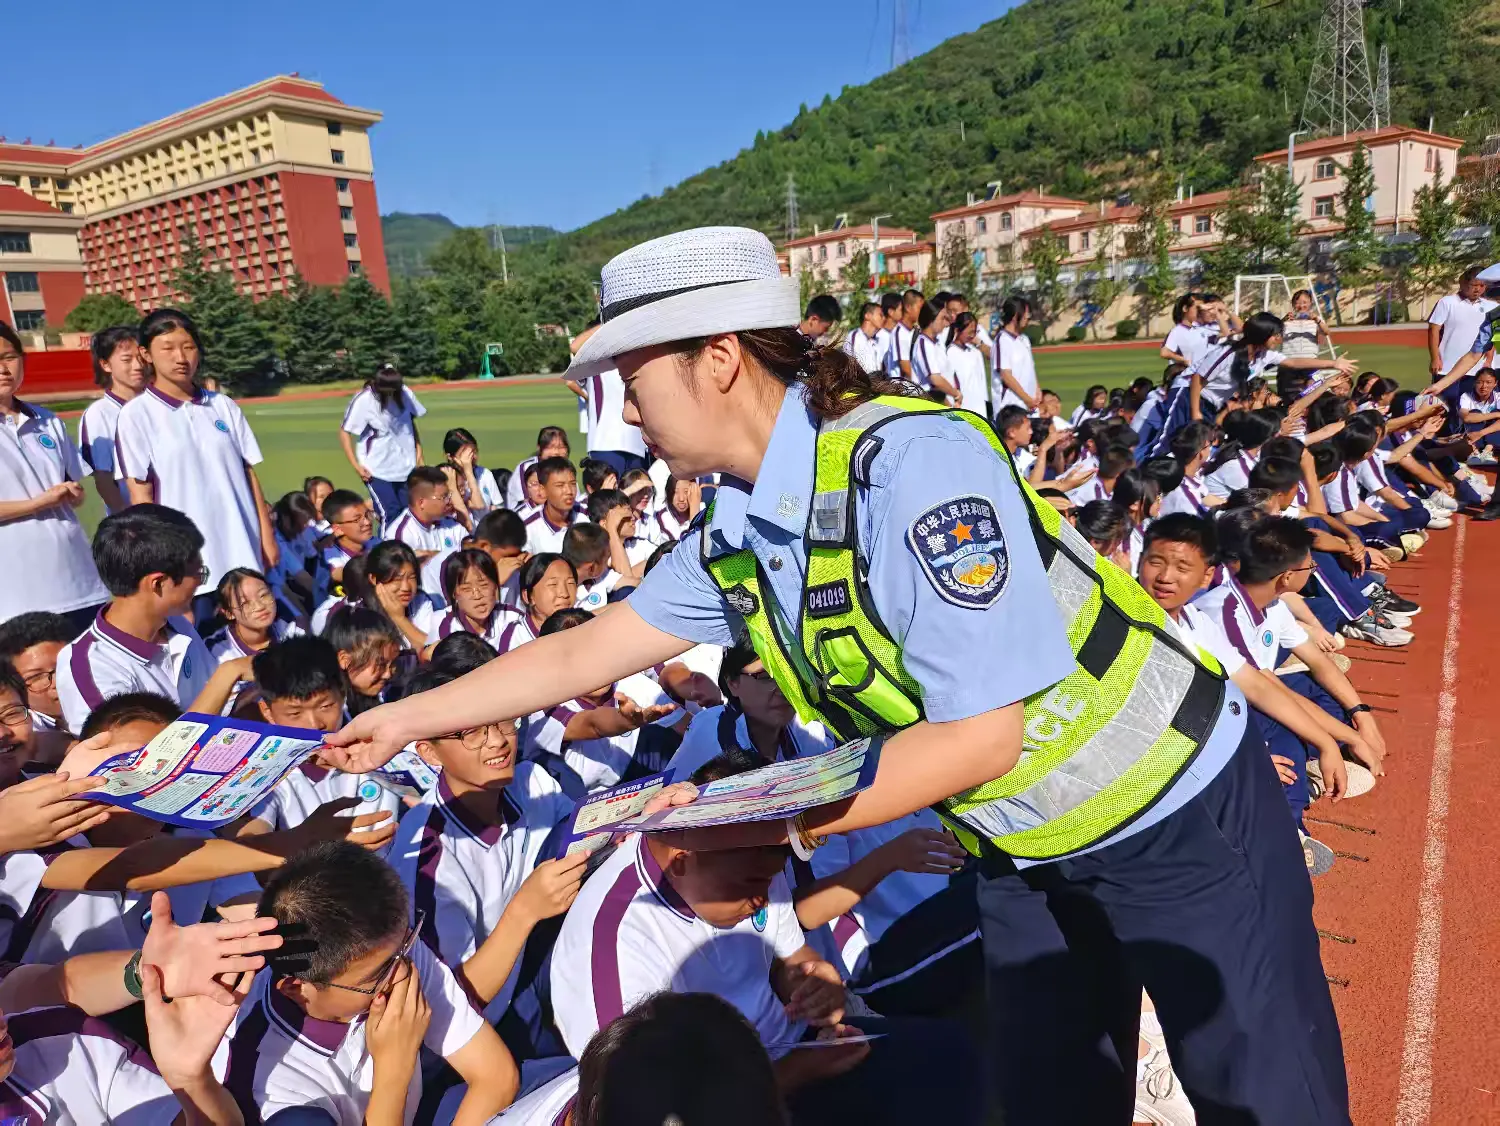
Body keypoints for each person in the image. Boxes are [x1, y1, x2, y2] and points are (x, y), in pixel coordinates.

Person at [328, 226, 1350, 1125]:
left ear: (718, 357)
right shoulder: (739, 524)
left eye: (630, 378)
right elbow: (581, 652)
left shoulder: (910, 467)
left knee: (1262, 1091)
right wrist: (404, 716)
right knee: (1049, 1099)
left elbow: (982, 735)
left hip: (1169, 807)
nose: (621, 410)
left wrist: (763, 822)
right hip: (1023, 839)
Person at [211, 840, 519, 1124]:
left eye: (408, 945)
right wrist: (393, 1072)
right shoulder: (266, 1088)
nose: (402, 974)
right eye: (378, 975)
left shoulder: (386, 948)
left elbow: (497, 1078)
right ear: (295, 987)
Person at [389, 665, 580, 1024]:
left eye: (502, 721)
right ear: (430, 753)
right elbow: (448, 1005)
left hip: (535, 964)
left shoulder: (533, 782)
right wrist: (525, 911)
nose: (497, 741)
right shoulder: (427, 860)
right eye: (472, 732)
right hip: (489, 1023)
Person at [114, 309, 277, 607]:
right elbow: (141, 498)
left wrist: (266, 535)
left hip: (243, 549)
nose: (181, 357)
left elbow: (247, 472)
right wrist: (160, 560)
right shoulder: (135, 416)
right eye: (168, 348)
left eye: (188, 347)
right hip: (189, 567)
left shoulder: (223, 406)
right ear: (145, 353)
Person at [54, 505, 242, 734]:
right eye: (197, 574)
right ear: (158, 583)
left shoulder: (177, 625)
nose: (200, 583)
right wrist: (228, 674)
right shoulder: (92, 667)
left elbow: (222, 705)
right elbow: (146, 758)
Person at [0, 321, 110, 630]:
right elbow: (43, 499)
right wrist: (37, 503)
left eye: (9, 357)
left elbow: (75, 493)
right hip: (16, 597)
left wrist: (72, 494)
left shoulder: (46, 421)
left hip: (79, 582)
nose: (4, 368)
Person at [339, 362, 426, 527]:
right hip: (376, 469)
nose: (394, 394)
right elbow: (345, 432)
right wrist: (357, 466)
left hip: (407, 466)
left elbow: (410, 425)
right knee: (389, 514)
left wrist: (419, 455)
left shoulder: (405, 393)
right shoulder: (364, 400)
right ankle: (388, 551)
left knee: (410, 514)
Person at [78, 323, 150, 514]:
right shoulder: (99, 414)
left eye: (141, 358)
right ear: (105, 364)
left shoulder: (158, 405)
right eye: (127, 359)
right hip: (141, 522)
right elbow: (103, 478)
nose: (138, 366)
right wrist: (129, 520)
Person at [574, 324, 650, 478]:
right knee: (608, 499)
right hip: (605, 444)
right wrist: (612, 320)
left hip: (638, 445)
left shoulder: (638, 359)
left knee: (637, 499)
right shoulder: (596, 361)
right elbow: (576, 346)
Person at [0, 611, 76, 755]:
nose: (58, 682)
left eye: (66, 665)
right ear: (14, 689)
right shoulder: (16, 739)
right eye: (36, 677)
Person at [1427, 265, 1495, 378]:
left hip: (1476, 370)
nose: (1477, 289)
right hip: (1446, 368)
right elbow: (1433, 331)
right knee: (1443, 396)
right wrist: (1435, 358)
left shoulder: (1490, 307)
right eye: (1474, 285)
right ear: (1465, 284)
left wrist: (1489, 359)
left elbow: (1492, 335)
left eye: (1482, 285)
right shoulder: (1447, 302)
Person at [321, 488, 379, 589]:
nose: (367, 522)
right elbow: (342, 574)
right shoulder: (331, 556)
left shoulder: (375, 542)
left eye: (367, 514)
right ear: (337, 529)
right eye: (356, 519)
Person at [524, 458, 584, 554]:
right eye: (560, 485)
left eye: (572, 484)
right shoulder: (528, 528)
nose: (569, 491)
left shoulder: (589, 515)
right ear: (543, 490)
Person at [506, 426, 572, 512]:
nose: (556, 452)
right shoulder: (525, 467)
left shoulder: (567, 468)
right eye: (550, 447)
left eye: (561, 447)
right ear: (539, 448)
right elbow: (526, 504)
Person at [992, 296, 1038, 414]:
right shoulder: (1002, 340)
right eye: (1026, 314)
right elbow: (1005, 375)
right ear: (1014, 316)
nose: (1028, 318)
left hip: (1029, 405)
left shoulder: (1024, 339)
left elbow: (1030, 369)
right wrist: (1026, 399)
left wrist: (1037, 390)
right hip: (1011, 407)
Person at [445, 426, 506, 513]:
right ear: (451, 457)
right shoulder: (445, 477)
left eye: (474, 451)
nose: (472, 457)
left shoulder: (485, 474)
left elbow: (499, 507)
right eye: (464, 453)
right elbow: (478, 505)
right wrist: (468, 471)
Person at [909, 300, 959, 403]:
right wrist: (956, 394)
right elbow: (935, 380)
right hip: (930, 404)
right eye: (942, 318)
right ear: (931, 319)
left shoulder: (936, 343)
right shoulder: (923, 343)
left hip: (942, 401)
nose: (946, 323)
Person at [946, 312, 988, 415]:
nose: (972, 335)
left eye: (974, 332)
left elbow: (981, 382)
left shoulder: (975, 352)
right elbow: (949, 383)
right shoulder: (950, 353)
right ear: (957, 330)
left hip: (980, 409)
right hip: (963, 410)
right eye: (969, 332)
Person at [1282, 288, 1330, 360]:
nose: (1301, 306)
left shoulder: (1317, 319)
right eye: (1297, 303)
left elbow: (1326, 332)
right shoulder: (1286, 320)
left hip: (1310, 360)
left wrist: (1317, 320)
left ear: (1310, 303)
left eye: (1304, 302)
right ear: (1292, 304)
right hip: (1289, 361)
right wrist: (1283, 321)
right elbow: (1272, 333)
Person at [843, 301, 886, 374]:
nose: (884, 318)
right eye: (881, 315)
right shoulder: (854, 337)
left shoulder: (876, 340)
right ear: (867, 316)